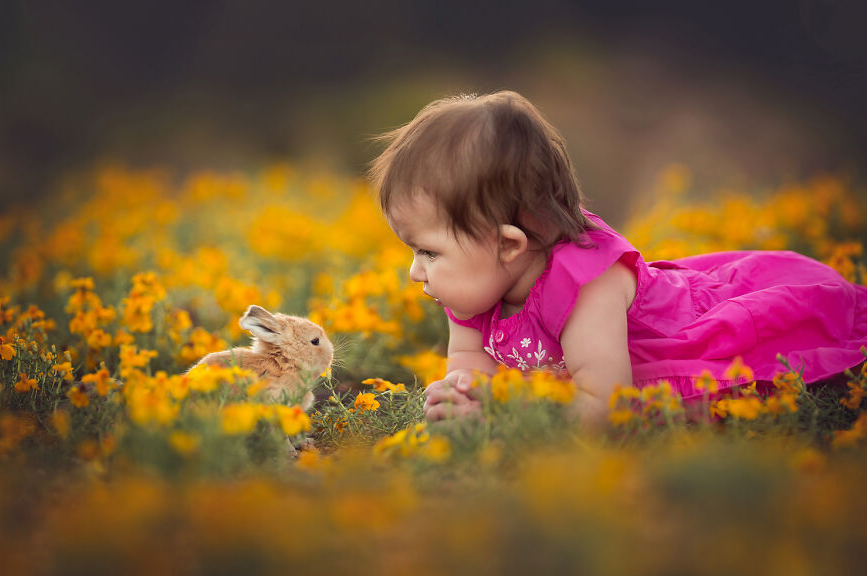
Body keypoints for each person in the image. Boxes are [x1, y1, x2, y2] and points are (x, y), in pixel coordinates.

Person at [367, 90, 867, 426]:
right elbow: (472, 363)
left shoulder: (586, 285)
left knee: (783, 344)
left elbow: (605, 405)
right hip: (586, 374)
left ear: (508, 244)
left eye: (428, 252)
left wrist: (510, 411)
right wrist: (468, 397)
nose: (415, 272)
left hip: (675, 342)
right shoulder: (475, 284)